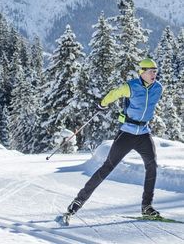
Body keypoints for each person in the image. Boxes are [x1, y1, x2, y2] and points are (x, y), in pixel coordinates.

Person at [66, 58, 163, 218]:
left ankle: (147, 206)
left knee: (152, 166)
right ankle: (78, 201)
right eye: (151, 70)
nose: (154, 74)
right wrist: (102, 104)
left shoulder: (158, 88)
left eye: (155, 70)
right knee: (107, 167)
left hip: (144, 134)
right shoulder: (131, 86)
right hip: (127, 133)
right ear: (142, 72)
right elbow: (114, 93)